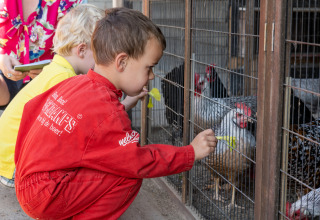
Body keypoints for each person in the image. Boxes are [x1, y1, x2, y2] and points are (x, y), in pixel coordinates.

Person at [14, 7, 218, 219]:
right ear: (121, 62)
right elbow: (138, 162)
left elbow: (30, 111)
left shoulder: (74, 83)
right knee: (127, 176)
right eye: (148, 68)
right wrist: (190, 153)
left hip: (27, 181)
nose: (151, 76)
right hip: (45, 195)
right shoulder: (107, 111)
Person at [0, 4, 147, 188]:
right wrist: (125, 104)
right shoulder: (66, 79)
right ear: (82, 50)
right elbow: (88, 125)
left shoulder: (55, 69)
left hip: (7, 162)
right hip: (16, 169)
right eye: (101, 52)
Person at [0, 0, 83, 109]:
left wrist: (54, 70)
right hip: (5, 86)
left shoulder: (68, 3)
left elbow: (81, 53)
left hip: (54, 91)